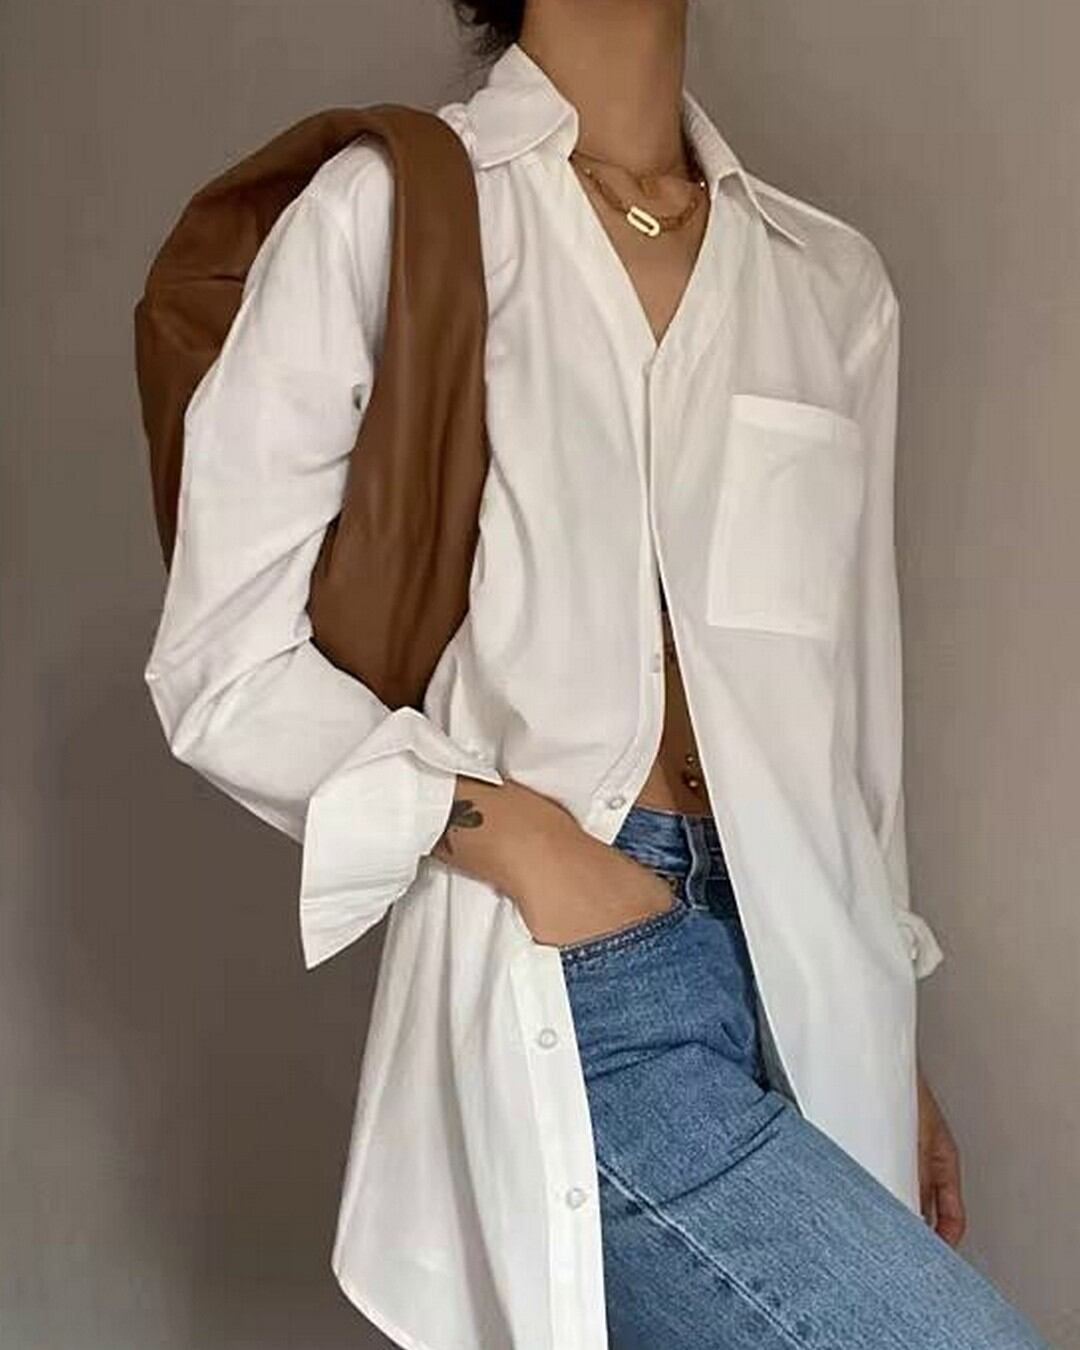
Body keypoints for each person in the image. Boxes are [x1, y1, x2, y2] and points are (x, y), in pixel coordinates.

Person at [142, 1, 1051, 1346]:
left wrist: (889, 1029)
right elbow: (223, 659)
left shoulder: (827, 279)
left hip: (813, 964)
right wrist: (521, 840)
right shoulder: (396, 214)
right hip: (585, 974)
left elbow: (854, 715)